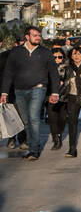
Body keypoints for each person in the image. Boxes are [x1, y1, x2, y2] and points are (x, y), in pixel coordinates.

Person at [0, 25, 61, 160]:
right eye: (35, 35)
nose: (38, 38)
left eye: (39, 35)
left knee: (33, 118)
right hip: (19, 90)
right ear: (27, 37)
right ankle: (32, 144)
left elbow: (54, 74)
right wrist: (4, 93)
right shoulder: (16, 52)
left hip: (38, 88)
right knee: (25, 120)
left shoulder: (45, 52)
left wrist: (55, 92)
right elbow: (8, 73)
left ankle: (34, 149)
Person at [46, 46, 68, 150]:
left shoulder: (67, 67)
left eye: (60, 57)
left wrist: (64, 83)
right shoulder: (46, 67)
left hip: (64, 96)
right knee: (52, 117)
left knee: (63, 118)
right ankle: (56, 138)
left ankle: (59, 133)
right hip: (50, 95)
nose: (57, 59)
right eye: (55, 57)